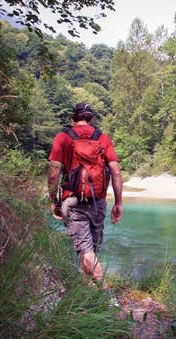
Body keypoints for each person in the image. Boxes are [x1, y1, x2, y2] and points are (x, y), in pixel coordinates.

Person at [47, 102, 123, 282]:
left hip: (73, 202)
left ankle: (106, 297)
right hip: (99, 202)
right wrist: (118, 203)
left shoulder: (63, 137)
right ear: (91, 119)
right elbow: (116, 173)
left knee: (87, 253)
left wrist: (54, 200)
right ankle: (87, 292)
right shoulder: (102, 138)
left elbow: (54, 173)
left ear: (72, 118)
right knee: (90, 251)